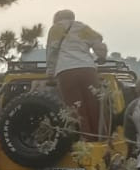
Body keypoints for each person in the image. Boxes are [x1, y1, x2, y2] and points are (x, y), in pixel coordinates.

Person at [45, 9, 108, 139]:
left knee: (76, 108)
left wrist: (50, 72)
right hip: (88, 69)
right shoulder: (82, 27)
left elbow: (52, 51)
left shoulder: (56, 28)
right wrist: (101, 56)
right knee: (94, 106)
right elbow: (98, 41)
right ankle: (101, 139)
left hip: (66, 71)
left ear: (56, 19)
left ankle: (85, 140)